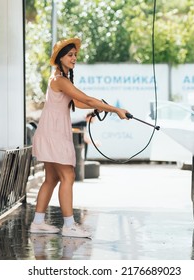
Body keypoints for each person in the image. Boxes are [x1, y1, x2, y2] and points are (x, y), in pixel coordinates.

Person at [30, 37, 129, 238]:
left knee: (51, 178)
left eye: (75, 55)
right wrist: (115, 109)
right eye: (70, 55)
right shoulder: (60, 80)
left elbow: (80, 102)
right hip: (54, 134)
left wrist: (99, 106)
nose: (74, 58)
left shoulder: (59, 79)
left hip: (52, 132)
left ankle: (38, 223)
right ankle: (69, 225)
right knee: (68, 176)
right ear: (60, 58)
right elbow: (85, 99)